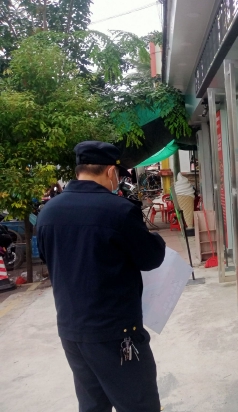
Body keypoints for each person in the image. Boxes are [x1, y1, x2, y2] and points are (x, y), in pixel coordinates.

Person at [37, 141, 166, 412]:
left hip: (72, 331)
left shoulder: (48, 212)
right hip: (116, 332)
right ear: (110, 171)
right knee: (139, 404)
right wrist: (155, 239)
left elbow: (50, 259)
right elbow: (150, 258)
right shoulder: (118, 211)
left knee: (93, 404)